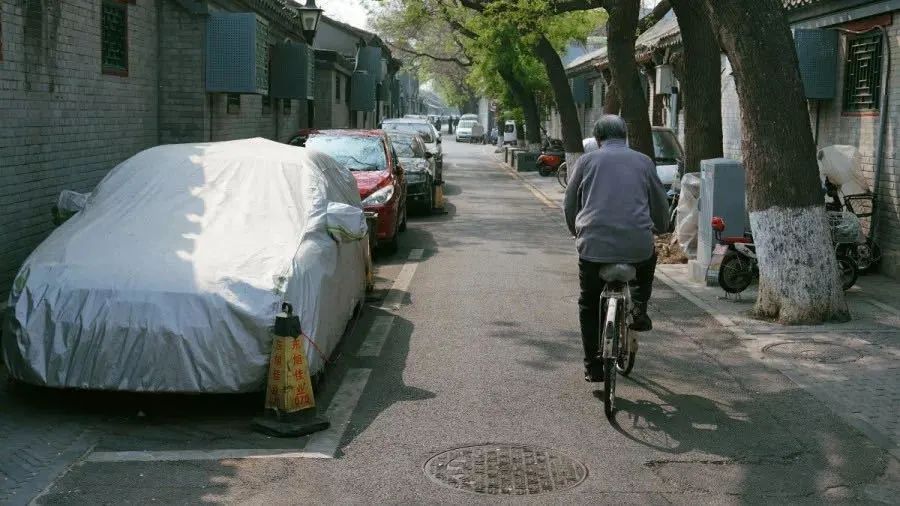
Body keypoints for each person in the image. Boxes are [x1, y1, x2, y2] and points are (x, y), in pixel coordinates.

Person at [563, 115, 669, 382]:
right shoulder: (644, 162)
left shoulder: (586, 161)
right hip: (636, 244)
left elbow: (569, 202)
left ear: (598, 140)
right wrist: (661, 225)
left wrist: (575, 230)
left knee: (588, 302)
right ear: (625, 136)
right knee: (648, 258)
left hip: (593, 245)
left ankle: (593, 367)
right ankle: (639, 307)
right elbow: (659, 203)